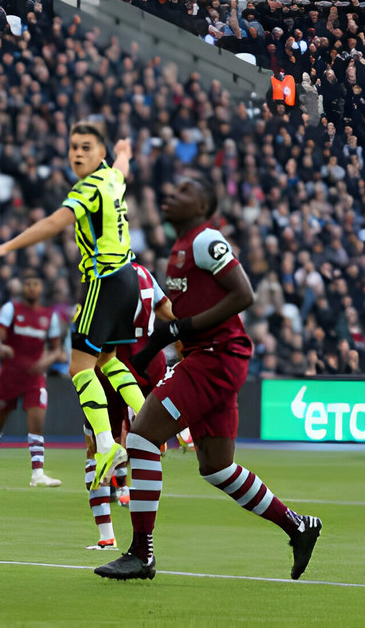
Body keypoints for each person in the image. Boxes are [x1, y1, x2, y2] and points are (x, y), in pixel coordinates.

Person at [94, 177, 322, 581]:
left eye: (183, 192)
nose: (170, 195)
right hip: (212, 357)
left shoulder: (206, 240)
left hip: (217, 356)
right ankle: (298, 526)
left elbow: (243, 295)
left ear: (202, 207)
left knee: (142, 436)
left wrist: (181, 329)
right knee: (218, 467)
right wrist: (172, 338)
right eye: (172, 189)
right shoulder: (179, 250)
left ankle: (141, 553)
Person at [0, 122, 146, 489]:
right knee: (109, 361)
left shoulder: (87, 188)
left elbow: (56, 222)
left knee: (78, 367)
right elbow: (123, 166)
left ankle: (105, 444)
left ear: (98, 153)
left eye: (86, 147)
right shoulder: (113, 178)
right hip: (129, 278)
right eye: (73, 147)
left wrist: (3, 248)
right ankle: (150, 419)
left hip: (104, 278)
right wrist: (124, 152)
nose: (78, 154)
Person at [85, 260, 170, 551]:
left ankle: (106, 535)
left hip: (108, 363)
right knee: (141, 439)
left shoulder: (102, 275)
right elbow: (167, 310)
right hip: (148, 360)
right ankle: (140, 530)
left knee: (96, 446)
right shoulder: (145, 273)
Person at [0, 272, 66, 488]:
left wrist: (45, 361)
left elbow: (56, 350)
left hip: (35, 377)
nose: (31, 288)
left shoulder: (49, 316)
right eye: (27, 284)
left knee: (37, 424)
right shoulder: (12, 309)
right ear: (22, 288)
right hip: (10, 376)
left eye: (35, 284)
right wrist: (2, 347)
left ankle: (37, 474)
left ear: (40, 288)